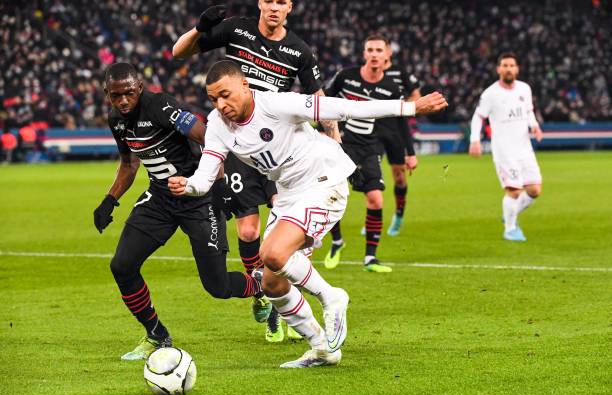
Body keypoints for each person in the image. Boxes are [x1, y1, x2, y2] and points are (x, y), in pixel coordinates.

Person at [168, 60, 448, 367]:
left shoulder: (276, 104)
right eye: (213, 99)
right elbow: (205, 176)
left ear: (245, 85)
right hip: (289, 194)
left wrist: (410, 108)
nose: (221, 105)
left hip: (324, 181)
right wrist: (188, 185)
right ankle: (322, 349)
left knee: (272, 253)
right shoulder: (217, 124)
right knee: (272, 284)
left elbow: (343, 108)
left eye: (225, 95)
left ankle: (332, 297)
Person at [172, 1, 340, 342]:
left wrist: (334, 140)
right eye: (269, 1)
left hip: (281, 148)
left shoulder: (299, 51)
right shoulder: (237, 29)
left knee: (287, 227)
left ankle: (288, 300)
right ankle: (266, 296)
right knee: (249, 231)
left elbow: (318, 99)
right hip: (241, 145)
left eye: (281, 2)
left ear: (289, 6)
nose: (274, 7)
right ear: (261, 3)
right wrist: (200, 28)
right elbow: (179, 52)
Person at [94, 62, 268, 361]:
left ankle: (263, 286)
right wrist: (110, 200)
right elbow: (129, 163)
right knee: (122, 266)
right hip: (160, 200)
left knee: (217, 286)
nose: (122, 101)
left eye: (129, 93)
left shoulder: (162, 106)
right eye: (115, 95)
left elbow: (209, 138)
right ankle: (157, 335)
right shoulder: (116, 120)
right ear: (107, 93)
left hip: (199, 198)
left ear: (140, 88)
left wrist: (220, 185)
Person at [323, 35, 404, 273]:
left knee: (376, 199)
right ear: (364, 53)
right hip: (341, 145)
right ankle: (337, 241)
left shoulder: (391, 88)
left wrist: (408, 152)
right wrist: (327, 132)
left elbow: (399, 122)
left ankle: (370, 258)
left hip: (369, 148)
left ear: (387, 55)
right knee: (329, 196)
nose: (374, 54)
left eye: (379, 50)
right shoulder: (345, 76)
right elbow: (323, 100)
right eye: (370, 49)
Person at [469, 52, 543, 241]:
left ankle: (510, 213)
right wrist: (474, 140)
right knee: (514, 190)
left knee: (534, 190)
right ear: (498, 69)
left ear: (517, 69)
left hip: (524, 148)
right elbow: (478, 116)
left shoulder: (525, 89)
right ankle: (510, 229)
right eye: (505, 65)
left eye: (512, 65)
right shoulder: (490, 94)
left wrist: (534, 125)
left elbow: (529, 111)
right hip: (504, 151)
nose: (509, 69)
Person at [381, 44, 421, 236]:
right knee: (370, 175)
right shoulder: (365, 74)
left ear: (388, 52)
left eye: (381, 50)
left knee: (399, 177)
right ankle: (373, 216)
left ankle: (398, 215)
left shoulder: (399, 72)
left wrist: (405, 108)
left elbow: (416, 95)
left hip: (395, 129)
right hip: (372, 129)